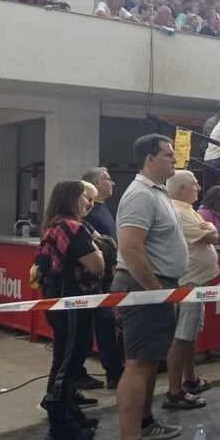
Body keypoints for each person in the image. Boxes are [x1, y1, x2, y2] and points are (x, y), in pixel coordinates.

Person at [112, 134, 188, 440]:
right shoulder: (139, 194)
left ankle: (145, 422)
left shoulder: (158, 191)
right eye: (168, 155)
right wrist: (155, 290)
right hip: (145, 288)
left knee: (150, 361)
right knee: (138, 364)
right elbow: (130, 248)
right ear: (149, 158)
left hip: (159, 286)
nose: (174, 160)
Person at [33, 180, 104, 440]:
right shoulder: (72, 228)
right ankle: (60, 427)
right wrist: (101, 249)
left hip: (60, 302)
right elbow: (96, 265)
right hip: (72, 303)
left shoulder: (54, 225)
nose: (89, 202)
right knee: (69, 360)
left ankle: (70, 412)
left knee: (65, 357)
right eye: (85, 197)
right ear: (71, 199)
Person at [164, 171, 219, 409]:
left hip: (195, 282)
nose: (198, 188)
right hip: (188, 283)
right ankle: (174, 391)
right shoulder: (179, 212)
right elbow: (211, 236)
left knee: (190, 334)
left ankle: (190, 378)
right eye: (194, 185)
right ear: (182, 189)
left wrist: (210, 229)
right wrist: (211, 229)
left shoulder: (187, 209)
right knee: (182, 335)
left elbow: (210, 232)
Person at [80, 167, 124, 391]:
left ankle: (113, 370)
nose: (112, 183)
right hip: (93, 281)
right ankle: (112, 372)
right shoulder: (88, 217)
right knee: (98, 325)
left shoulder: (104, 209)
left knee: (106, 324)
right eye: (107, 179)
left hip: (106, 277)